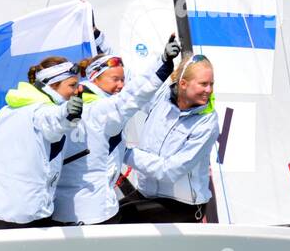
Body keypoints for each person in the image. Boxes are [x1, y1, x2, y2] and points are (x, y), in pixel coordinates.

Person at [52, 34, 183, 225]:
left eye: (123, 80)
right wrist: (162, 63)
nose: (121, 85)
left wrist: (98, 38)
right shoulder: (102, 110)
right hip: (94, 211)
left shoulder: (67, 104)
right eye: (115, 79)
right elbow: (136, 94)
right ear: (94, 78)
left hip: (62, 208)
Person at [0, 56, 84, 231]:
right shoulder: (44, 111)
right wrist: (68, 113)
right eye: (72, 85)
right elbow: (55, 120)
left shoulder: (7, 110)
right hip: (27, 216)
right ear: (53, 85)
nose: (77, 90)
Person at [116, 54, 218, 223]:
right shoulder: (162, 97)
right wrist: (99, 39)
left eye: (211, 84)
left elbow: (170, 171)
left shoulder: (207, 122)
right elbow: (135, 83)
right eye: (203, 84)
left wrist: (124, 153)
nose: (209, 90)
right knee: (110, 216)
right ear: (183, 84)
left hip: (184, 205)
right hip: (148, 193)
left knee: (123, 218)